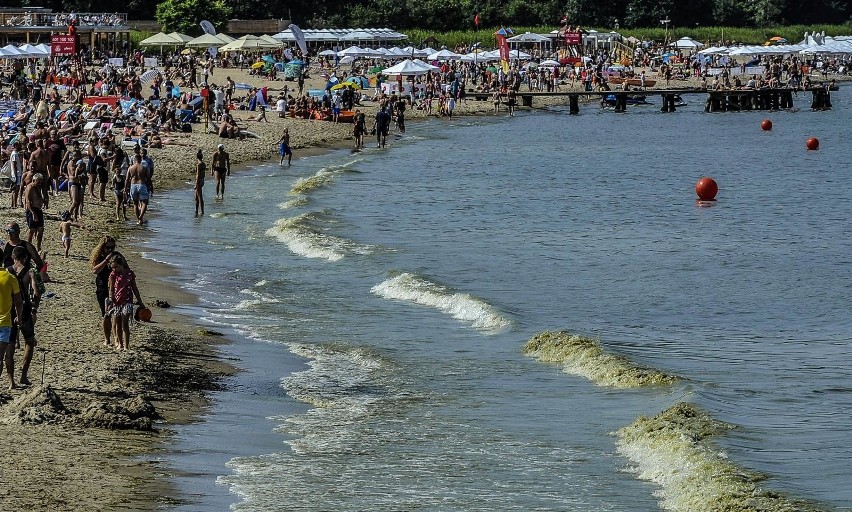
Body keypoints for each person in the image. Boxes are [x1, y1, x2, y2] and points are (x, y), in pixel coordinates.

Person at [9, 245, 39, 386]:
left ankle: (11, 381)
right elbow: (36, 292)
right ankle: (24, 376)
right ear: (25, 258)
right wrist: (34, 308)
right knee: (30, 341)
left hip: (9, 310)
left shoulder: (7, 272)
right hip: (24, 309)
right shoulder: (29, 272)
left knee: (10, 346)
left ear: (13, 257)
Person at [107, 253, 143, 352]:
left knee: (125, 323)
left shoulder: (130, 273)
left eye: (116, 267)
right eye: (112, 267)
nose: (114, 269)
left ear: (121, 264)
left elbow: (134, 287)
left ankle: (127, 345)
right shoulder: (113, 275)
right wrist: (110, 299)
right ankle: (120, 344)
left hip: (127, 301)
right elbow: (111, 289)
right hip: (116, 302)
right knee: (117, 323)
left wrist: (139, 301)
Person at [0, 262, 24, 389]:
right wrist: (19, 318)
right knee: (5, 355)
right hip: (5, 322)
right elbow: (18, 302)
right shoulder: (10, 278)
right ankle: (10, 383)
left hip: (5, 323)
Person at [90, 236, 116, 347]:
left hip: (115, 288)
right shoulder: (99, 257)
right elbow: (95, 270)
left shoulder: (116, 257)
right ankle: (107, 339)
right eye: (107, 248)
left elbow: (125, 269)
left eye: (112, 248)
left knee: (116, 313)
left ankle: (116, 339)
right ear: (102, 247)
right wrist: (106, 260)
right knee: (106, 314)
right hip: (102, 288)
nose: (110, 250)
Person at [125, 154, 150, 225]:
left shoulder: (130, 168)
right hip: (142, 184)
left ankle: (138, 219)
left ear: (134, 160)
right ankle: (141, 216)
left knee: (135, 203)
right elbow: (148, 178)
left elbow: (127, 179)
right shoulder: (144, 167)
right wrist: (150, 186)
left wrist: (125, 188)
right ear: (141, 159)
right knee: (145, 202)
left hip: (133, 185)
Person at [25, 173, 45, 251]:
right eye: (38, 182)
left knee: (40, 229)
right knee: (32, 230)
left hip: (38, 209)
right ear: (34, 180)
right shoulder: (30, 187)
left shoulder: (37, 187)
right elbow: (28, 201)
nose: (40, 183)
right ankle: (28, 246)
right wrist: (33, 213)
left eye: (41, 182)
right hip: (32, 210)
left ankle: (38, 247)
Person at [194, 149, 205, 217]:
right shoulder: (203, 164)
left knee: (199, 196)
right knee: (196, 197)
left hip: (199, 180)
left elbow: (198, 174)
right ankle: (196, 210)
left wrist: (196, 184)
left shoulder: (199, 165)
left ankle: (202, 211)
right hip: (202, 180)